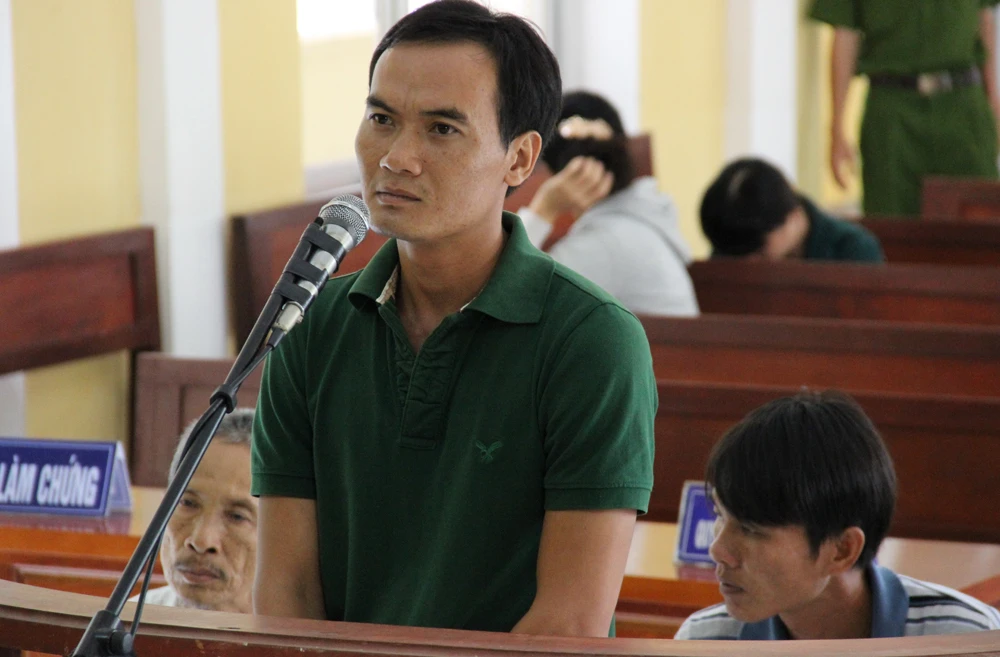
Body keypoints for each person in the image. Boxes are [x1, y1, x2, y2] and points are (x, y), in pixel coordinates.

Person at [251, 0, 656, 637]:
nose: (396, 157)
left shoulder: (592, 342)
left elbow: (568, 622)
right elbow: (286, 594)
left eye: (441, 129)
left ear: (520, 159)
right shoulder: (308, 327)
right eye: (381, 119)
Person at [675, 391, 1000, 640]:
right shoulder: (705, 641)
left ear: (842, 550)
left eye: (751, 529)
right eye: (720, 514)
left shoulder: (966, 638)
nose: (718, 549)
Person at [516, 90, 699, 317]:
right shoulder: (633, 223)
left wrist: (544, 208)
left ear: (563, 175)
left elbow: (511, 290)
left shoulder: (604, 243)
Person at [810, 0, 1000, 216]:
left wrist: (993, 101)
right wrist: (837, 128)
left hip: (963, 102)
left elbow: (984, 19)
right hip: (892, 107)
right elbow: (845, 34)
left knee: (978, 214)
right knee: (891, 218)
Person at [134, 408, 257, 612]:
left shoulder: (305, 629)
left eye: (237, 517)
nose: (201, 541)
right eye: (188, 503)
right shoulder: (127, 621)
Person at [700, 157, 885, 262]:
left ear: (793, 217)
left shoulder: (852, 250)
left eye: (758, 249)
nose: (748, 261)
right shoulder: (731, 240)